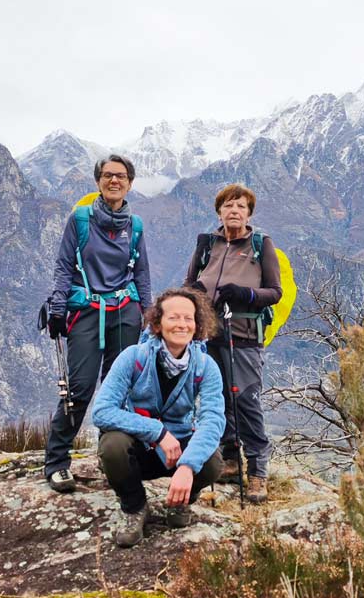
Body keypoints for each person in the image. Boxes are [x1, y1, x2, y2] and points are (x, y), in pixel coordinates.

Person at [44, 154, 151, 493]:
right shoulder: (79, 220)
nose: (114, 181)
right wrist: (59, 307)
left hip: (124, 310)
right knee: (79, 387)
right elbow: (64, 266)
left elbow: (142, 272)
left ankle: (113, 458)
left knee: (122, 389)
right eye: (107, 175)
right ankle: (57, 462)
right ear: (98, 182)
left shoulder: (135, 227)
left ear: (130, 183)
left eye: (120, 176)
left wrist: (149, 314)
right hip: (87, 310)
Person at [92, 287, 224, 547]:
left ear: (198, 325)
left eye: (189, 318)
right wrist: (157, 432)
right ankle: (135, 507)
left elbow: (213, 421)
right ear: (157, 322)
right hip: (139, 449)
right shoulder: (133, 358)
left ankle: (181, 501)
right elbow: (102, 411)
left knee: (212, 461)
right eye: (174, 317)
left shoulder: (205, 367)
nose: (182, 324)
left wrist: (188, 466)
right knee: (112, 446)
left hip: (177, 454)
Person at [183, 183, 282, 504]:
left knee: (247, 399)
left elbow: (274, 291)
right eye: (228, 206)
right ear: (219, 212)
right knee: (219, 396)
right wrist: (197, 292)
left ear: (249, 213)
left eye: (240, 206)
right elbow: (189, 285)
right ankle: (229, 458)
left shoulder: (259, 244)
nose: (234, 211)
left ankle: (257, 470)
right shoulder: (208, 244)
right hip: (210, 333)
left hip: (245, 333)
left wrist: (246, 295)